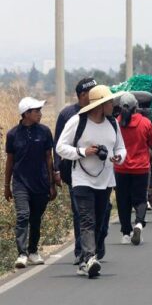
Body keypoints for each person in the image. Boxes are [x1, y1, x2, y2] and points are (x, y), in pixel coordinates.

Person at [56, 85, 126, 278]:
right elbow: (60, 147)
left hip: (105, 180)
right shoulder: (77, 121)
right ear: (100, 105)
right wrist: (82, 152)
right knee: (86, 219)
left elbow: (120, 147)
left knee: (100, 219)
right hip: (82, 178)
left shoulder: (113, 123)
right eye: (109, 102)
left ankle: (87, 259)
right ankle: (88, 258)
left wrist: (119, 157)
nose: (113, 105)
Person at [4, 97, 57, 269]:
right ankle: (21, 254)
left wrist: (51, 184)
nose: (40, 114)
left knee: (35, 218)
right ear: (26, 113)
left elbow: (49, 158)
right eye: (36, 111)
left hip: (41, 182)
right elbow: (10, 161)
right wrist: (6, 185)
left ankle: (33, 251)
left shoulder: (44, 132)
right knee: (23, 215)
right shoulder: (13, 134)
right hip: (20, 182)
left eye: (40, 111)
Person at [53, 77, 97, 265]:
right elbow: (58, 144)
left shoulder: (99, 112)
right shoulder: (67, 115)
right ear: (82, 95)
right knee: (80, 212)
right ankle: (82, 251)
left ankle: (95, 246)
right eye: (91, 92)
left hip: (97, 172)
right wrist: (55, 169)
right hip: (73, 171)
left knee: (99, 211)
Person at [115, 93, 152, 246]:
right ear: (136, 107)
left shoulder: (116, 124)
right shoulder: (145, 123)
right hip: (141, 168)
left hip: (121, 168)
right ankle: (139, 224)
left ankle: (126, 233)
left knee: (123, 200)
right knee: (140, 199)